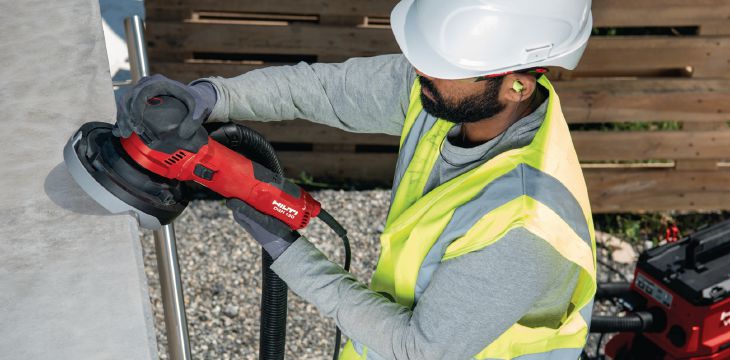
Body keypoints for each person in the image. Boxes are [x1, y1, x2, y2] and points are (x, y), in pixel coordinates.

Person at [115, 0, 597, 358]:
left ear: (517, 86)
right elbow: (323, 90)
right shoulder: (449, 95)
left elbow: (417, 349)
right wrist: (212, 97)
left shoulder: (526, 231)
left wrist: (290, 253)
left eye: (445, 66)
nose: (420, 70)